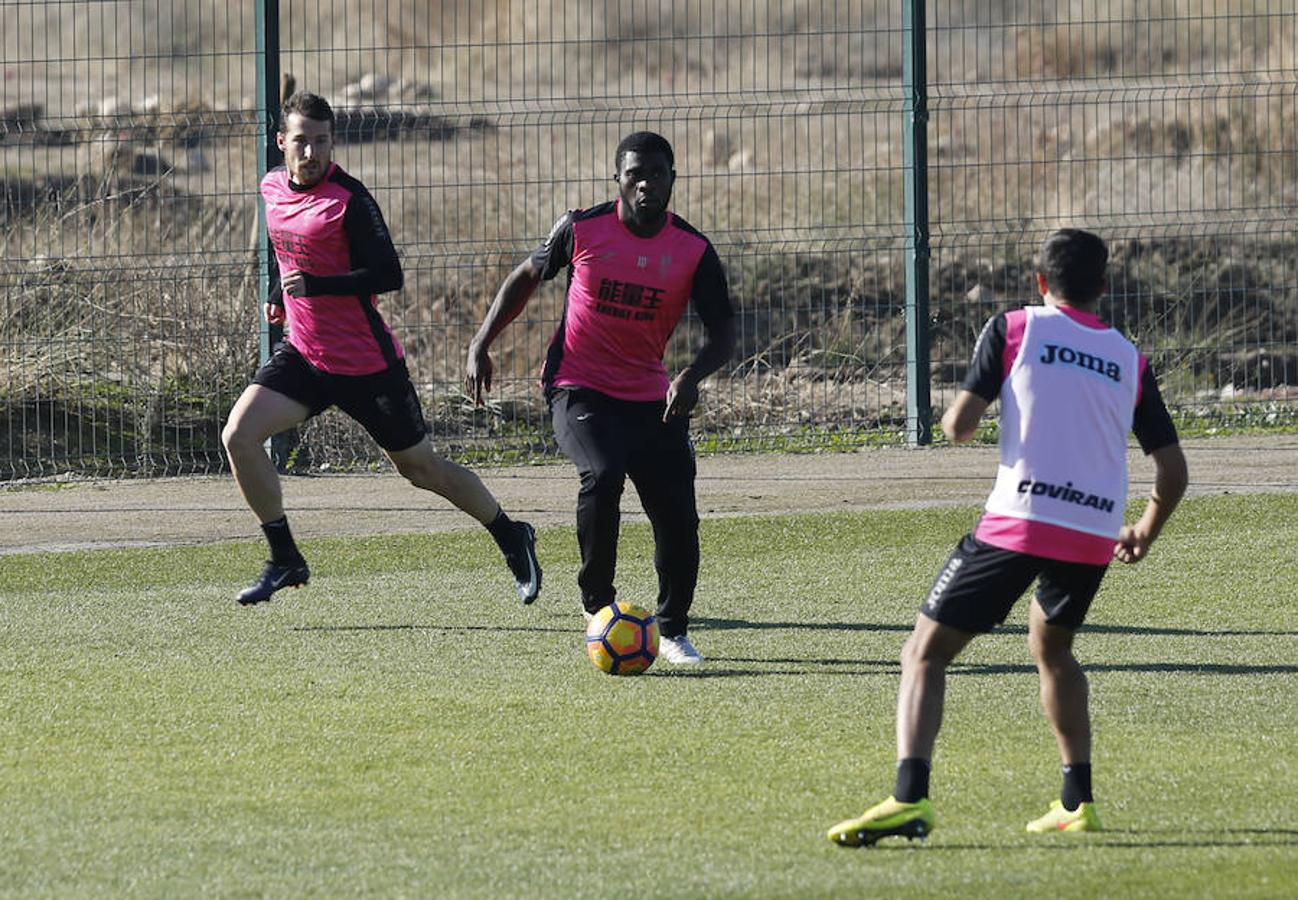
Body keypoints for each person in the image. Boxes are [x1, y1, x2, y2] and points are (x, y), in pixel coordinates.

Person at [827, 228, 1189, 845]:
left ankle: (908, 798)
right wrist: (1144, 532)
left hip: (1020, 521)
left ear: (1041, 282)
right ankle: (1077, 803)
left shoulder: (1016, 327)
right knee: (1054, 651)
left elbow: (959, 427)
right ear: (1104, 287)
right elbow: (1173, 471)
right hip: (1092, 530)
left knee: (924, 653)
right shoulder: (1129, 358)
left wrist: (968, 410)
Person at [222, 91, 540, 607]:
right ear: (281, 142)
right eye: (301, 141)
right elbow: (288, 251)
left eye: (321, 141)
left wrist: (316, 287)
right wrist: (280, 293)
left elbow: (388, 274)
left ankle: (511, 534)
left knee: (421, 469)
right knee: (238, 435)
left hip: (366, 365)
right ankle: (284, 558)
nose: (311, 152)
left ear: (333, 142)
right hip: (305, 355)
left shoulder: (349, 200)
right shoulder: (271, 187)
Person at [466, 132, 736, 665]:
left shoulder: (693, 250)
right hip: (577, 386)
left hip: (652, 396)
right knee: (603, 473)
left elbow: (724, 332)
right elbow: (526, 276)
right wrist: (481, 343)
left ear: (672, 180)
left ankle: (673, 629)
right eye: (635, 174)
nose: (646, 184)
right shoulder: (581, 228)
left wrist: (691, 376)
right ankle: (598, 606)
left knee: (678, 515)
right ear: (618, 180)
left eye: (656, 174)